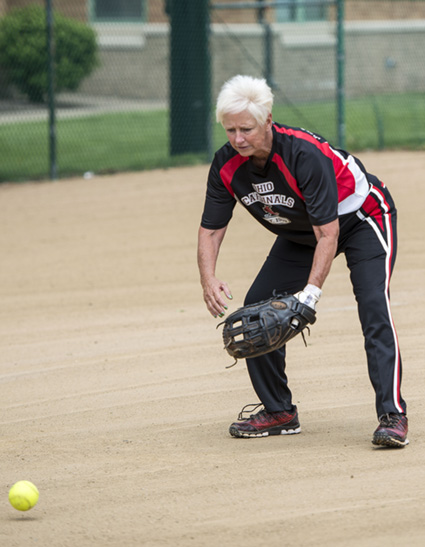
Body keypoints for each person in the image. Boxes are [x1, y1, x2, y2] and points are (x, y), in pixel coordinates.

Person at [197, 74, 408, 448]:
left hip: (362, 218)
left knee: (373, 307)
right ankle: (279, 411)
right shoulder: (227, 164)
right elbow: (212, 228)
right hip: (301, 233)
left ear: (268, 120)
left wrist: (310, 295)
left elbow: (328, 233)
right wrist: (208, 278)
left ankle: (392, 415)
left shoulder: (303, 155)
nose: (237, 139)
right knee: (258, 311)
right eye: (229, 130)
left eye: (246, 128)